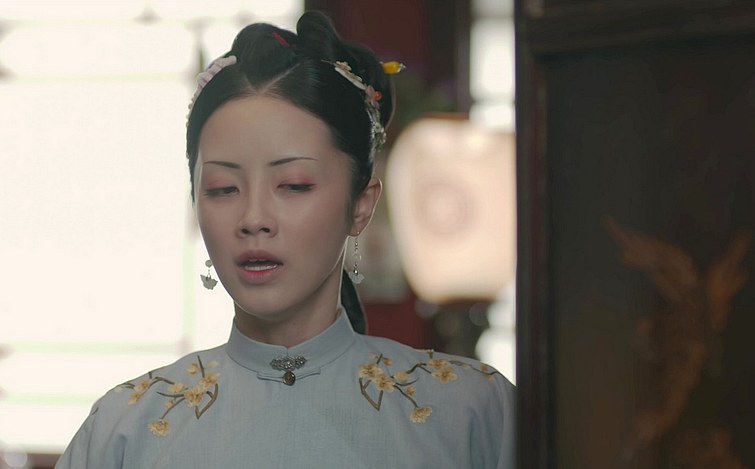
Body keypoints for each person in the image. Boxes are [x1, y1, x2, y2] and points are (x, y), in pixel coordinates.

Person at [56, 11, 515, 469]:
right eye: (223, 189)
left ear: (361, 205)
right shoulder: (126, 427)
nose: (253, 219)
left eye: (294, 185)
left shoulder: (472, 411)